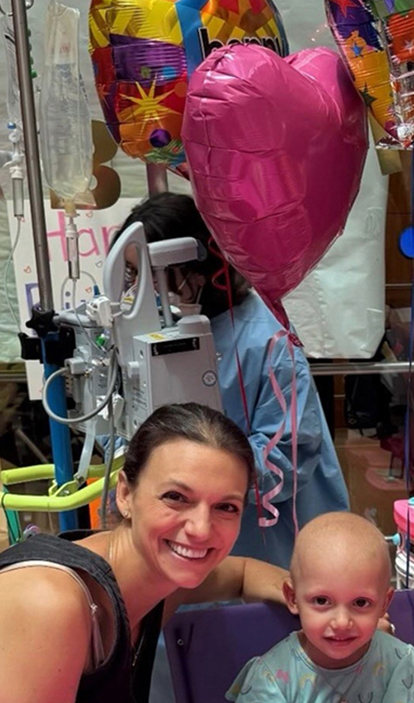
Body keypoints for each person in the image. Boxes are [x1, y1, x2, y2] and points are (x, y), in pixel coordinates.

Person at [0, 403, 288, 703]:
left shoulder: (160, 580)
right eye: (175, 497)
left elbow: (243, 573)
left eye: (226, 507)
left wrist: (323, 601)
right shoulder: (51, 603)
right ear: (125, 494)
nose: (201, 529)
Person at [114, 192, 349, 567]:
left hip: (269, 545)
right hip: (185, 545)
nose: (142, 292)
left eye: (155, 275)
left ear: (202, 267)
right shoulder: (148, 334)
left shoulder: (265, 342)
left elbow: (285, 465)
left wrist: (189, 471)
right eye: (132, 275)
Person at [227, 512, 414, 703]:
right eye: (321, 601)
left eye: (361, 603)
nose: (341, 622)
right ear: (293, 598)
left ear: (384, 604)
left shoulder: (400, 662)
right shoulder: (270, 678)